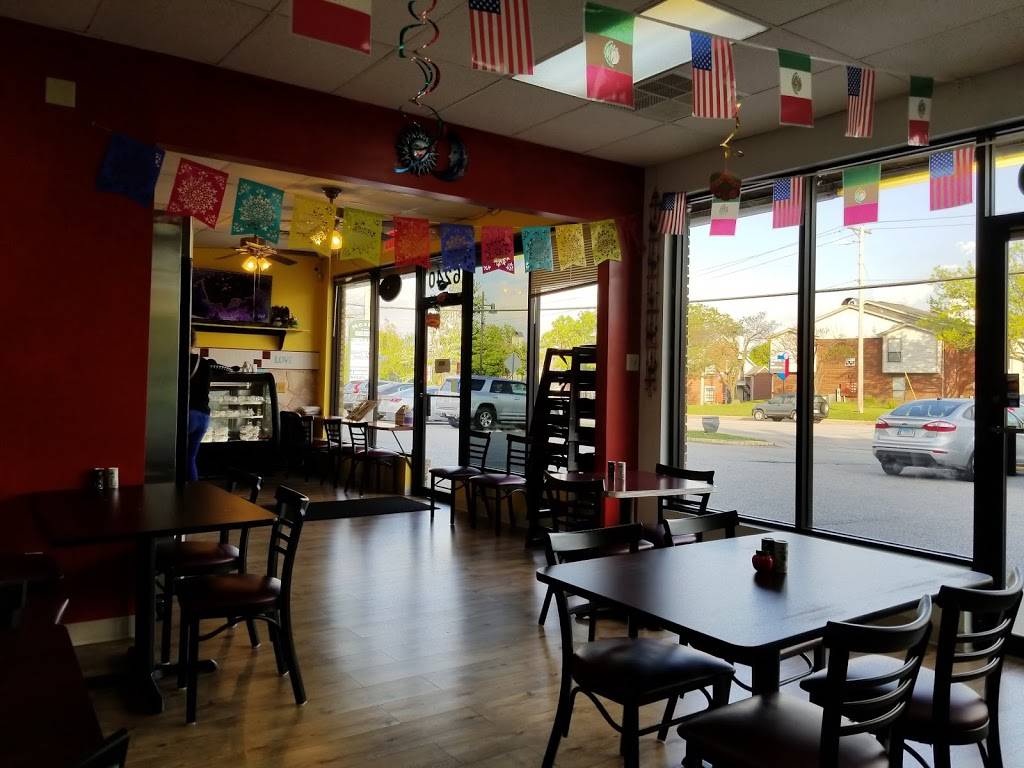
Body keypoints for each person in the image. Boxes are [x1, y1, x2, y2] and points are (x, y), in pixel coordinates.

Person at [187, 330, 218, 481]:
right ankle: (193, 491)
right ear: (194, 342)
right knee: (190, 458)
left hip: (189, 415)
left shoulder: (178, 361)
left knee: (176, 457)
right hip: (204, 417)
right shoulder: (204, 363)